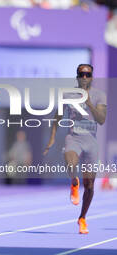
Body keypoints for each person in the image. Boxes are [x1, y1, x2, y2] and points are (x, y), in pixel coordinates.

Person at [44, 64, 107, 234]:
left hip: (91, 140)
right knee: (70, 161)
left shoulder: (99, 95)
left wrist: (89, 104)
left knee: (90, 185)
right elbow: (57, 116)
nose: (84, 77)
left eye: (88, 74)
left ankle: (82, 218)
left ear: (92, 77)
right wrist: (51, 139)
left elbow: (101, 120)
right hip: (74, 137)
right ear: (77, 76)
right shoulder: (68, 94)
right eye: (81, 74)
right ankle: (73, 181)